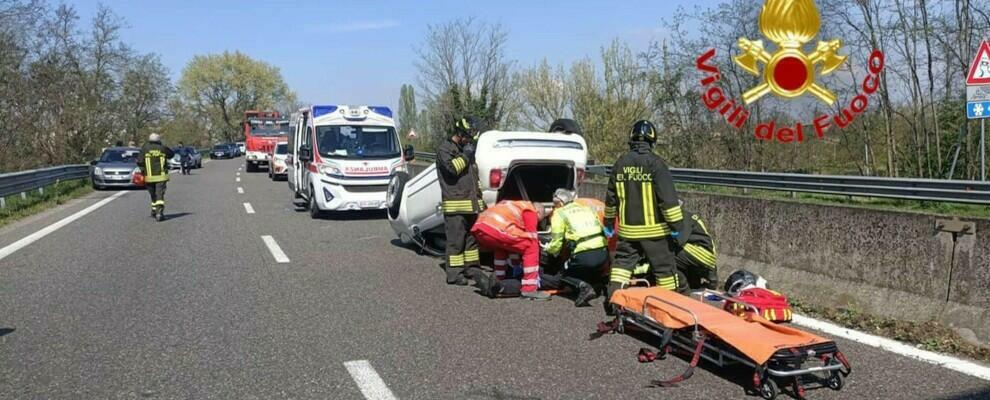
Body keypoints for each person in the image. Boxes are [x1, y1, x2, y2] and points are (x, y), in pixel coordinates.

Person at [605, 120, 688, 308]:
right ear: (652, 141)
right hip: (655, 232)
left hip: (628, 232)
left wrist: (609, 223)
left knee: (621, 267)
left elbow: (611, 199)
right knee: (665, 271)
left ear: (631, 140)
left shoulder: (620, 164)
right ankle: (668, 306)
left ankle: (614, 302)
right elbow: (668, 200)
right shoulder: (656, 164)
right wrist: (677, 226)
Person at [436, 116, 485, 285]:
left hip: (472, 205)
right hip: (455, 205)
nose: (469, 141)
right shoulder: (445, 149)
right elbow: (452, 170)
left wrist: (480, 202)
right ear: (460, 133)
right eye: (468, 137)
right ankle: (455, 274)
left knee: (472, 242)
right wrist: (465, 156)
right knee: (456, 242)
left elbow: (473, 179)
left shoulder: (467, 151)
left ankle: (472, 268)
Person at [470, 200, 551, 300]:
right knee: (532, 246)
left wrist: (515, 262)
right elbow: (532, 237)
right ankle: (529, 289)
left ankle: (498, 279)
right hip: (497, 227)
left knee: (502, 247)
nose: (536, 223)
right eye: (538, 220)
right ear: (538, 212)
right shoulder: (530, 210)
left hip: (481, 227)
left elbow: (515, 243)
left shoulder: (514, 205)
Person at [542, 189, 609, 306]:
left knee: (563, 274)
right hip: (603, 253)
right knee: (583, 268)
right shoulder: (585, 208)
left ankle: (584, 287)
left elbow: (557, 242)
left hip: (584, 254)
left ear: (560, 202)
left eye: (555, 204)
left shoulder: (560, 213)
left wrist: (548, 249)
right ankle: (595, 283)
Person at [676, 210, 718, 290]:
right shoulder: (687, 215)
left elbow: (679, 240)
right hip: (703, 254)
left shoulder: (683, 217)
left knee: (667, 254)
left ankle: (682, 287)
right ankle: (693, 284)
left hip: (702, 254)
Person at [137, 133, 174, 221]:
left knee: (153, 194)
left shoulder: (145, 148)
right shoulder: (163, 148)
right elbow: (171, 154)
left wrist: (143, 171)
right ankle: (159, 213)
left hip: (149, 176)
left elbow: (139, 161)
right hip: (161, 176)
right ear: (158, 140)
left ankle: (154, 210)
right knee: (159, 194)